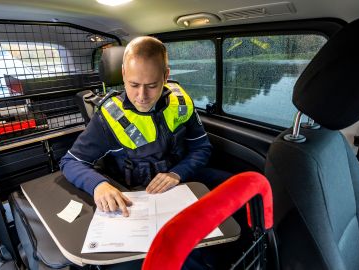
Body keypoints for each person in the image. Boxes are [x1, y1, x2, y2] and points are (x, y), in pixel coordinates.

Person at [60, 36, 231, 217]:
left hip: (184, 178)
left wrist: (177, 174)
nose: (142, 96)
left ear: (166, 76)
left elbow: (202, 148)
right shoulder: (108, 118)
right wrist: (98, 185)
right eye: (134, 85)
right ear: (124, 74)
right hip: (139, 195)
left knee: (241, 188)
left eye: (151, 85)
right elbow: (70, 162)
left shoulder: (181, 103)